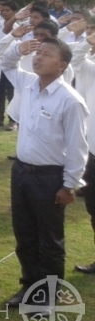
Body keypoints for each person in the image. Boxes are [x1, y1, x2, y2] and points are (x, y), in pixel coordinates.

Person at [0, 37, 87, 315]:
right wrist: (19, 49)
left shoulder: (70, 101)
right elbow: (6, 63)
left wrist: (69, 185)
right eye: (38, 53)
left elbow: (77, 147)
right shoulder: (28, 85)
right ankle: (29, 286)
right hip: (22, 171)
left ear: (62, 66)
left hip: (50, 178)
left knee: (49, 239)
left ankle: (48, 296)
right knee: (24, 234)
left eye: (46, 55)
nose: (38, 58)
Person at [71, 35, 95, 274]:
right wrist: (90, 40)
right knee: (93, 208)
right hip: (93, 152)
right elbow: (76, 59)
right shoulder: (92, 69)